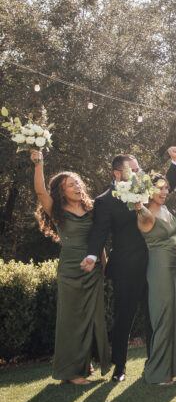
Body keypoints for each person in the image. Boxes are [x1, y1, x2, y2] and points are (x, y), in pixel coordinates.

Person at [86, 148, 176, 382]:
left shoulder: (144, 190)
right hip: (126, 268)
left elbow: (164, 186)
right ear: (117, 174)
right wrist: (91, 256)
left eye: (139, 169)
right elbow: (100, 232)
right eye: (135, 169)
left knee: (154, 317)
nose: (140, 173)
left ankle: (155, 363)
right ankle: (119, 367)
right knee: (124, 318)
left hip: (154, 265)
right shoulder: (105, 201)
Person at [30, 148, 109, 384]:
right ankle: (71, 372)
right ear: (61, 191)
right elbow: (40, 190)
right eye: (70, 184)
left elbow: (99, 238)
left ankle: (85, 365)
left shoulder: (93, 208)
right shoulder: (56, 210)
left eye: (77, 182)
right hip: (70, 269)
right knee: (72, 319)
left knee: (93, 317)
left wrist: (104, 264)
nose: (77, 186)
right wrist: (38, 164)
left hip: (93, 268)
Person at [136, 173, 176, 385]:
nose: (164, 192)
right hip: (158, 267)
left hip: (172, 265)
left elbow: (171, 235)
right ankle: (157, 373)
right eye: (159, 188)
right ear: (147, 191)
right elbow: (137, 209)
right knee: (163, 318)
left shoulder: (165, 209)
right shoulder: (145, 213)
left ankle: (170, 367)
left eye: (166, 188)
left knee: (174, 315)